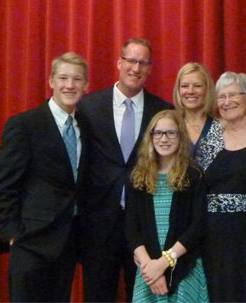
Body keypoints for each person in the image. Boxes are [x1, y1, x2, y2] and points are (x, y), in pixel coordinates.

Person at [77, 38, 172, 302]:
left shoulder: (162, 110)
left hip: (144, 224)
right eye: (131, 60)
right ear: (119, 62)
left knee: (141, 296)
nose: (136, 68)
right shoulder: (88, 106)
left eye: (143, 62)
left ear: (150, 69)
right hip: (98, 224)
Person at [0, 52, 89, 302]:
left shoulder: (86, 127)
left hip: (67, 243)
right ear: (51, 81)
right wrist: (13, 233)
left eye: (77, 79)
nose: (70, 85)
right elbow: (4, 184)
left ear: (86, 85)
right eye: (63, 78)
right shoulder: (24, 125)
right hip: (30, 242)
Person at [195, 72, 246, 302]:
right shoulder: (209, 141)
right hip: (212, 241)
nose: (226, 101)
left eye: (233, 95)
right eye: (221, 97)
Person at [125, 110, 208, 303]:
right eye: (158, 133)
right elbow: (131, 229)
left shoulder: (194, 175)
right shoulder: (137, 178)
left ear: (180, 136)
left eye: (171, 133)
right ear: (150, 136)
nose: (164, 139)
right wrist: (150, 269)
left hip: (185, 268)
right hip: (147, 270)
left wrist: (164, 263)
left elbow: (198, 226)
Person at [172, 63, 216, 156]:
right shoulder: (171, 124)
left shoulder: (221, 127)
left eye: (197, 86)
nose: (190, 91)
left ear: (207, 89)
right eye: (184, 86)